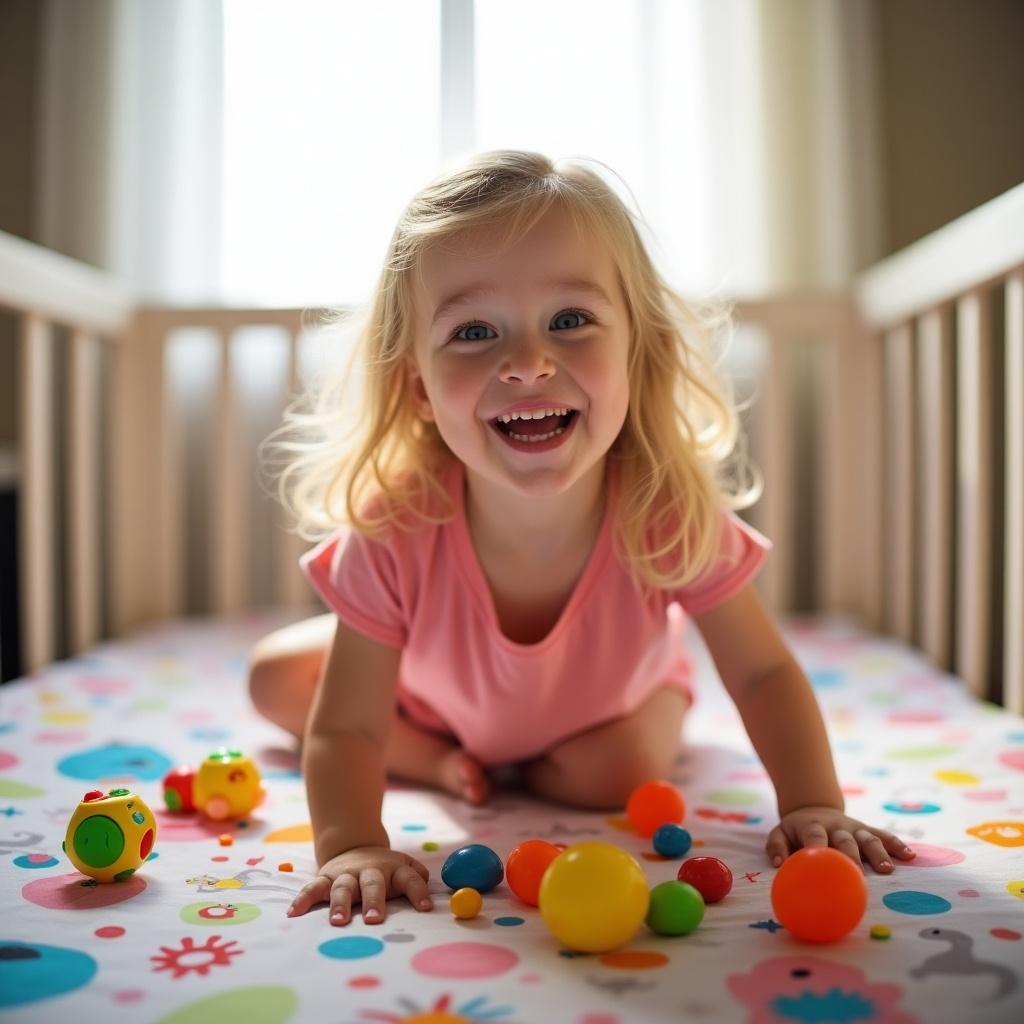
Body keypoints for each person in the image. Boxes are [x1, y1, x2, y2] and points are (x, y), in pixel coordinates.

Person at [248, 150, 915, 928]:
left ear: (636, 349)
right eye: (472, 331)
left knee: (620, 772)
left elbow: (764, 674)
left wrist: (812, 804)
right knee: (275, 679)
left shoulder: (663, 511)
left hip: (595, 707)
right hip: (432, 698)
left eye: (570, 320)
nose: (528, 362)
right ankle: (439, 758)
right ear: (419, 388)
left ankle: (657, 694)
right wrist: (352, 844)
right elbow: (350, 727)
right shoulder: (395, 527)